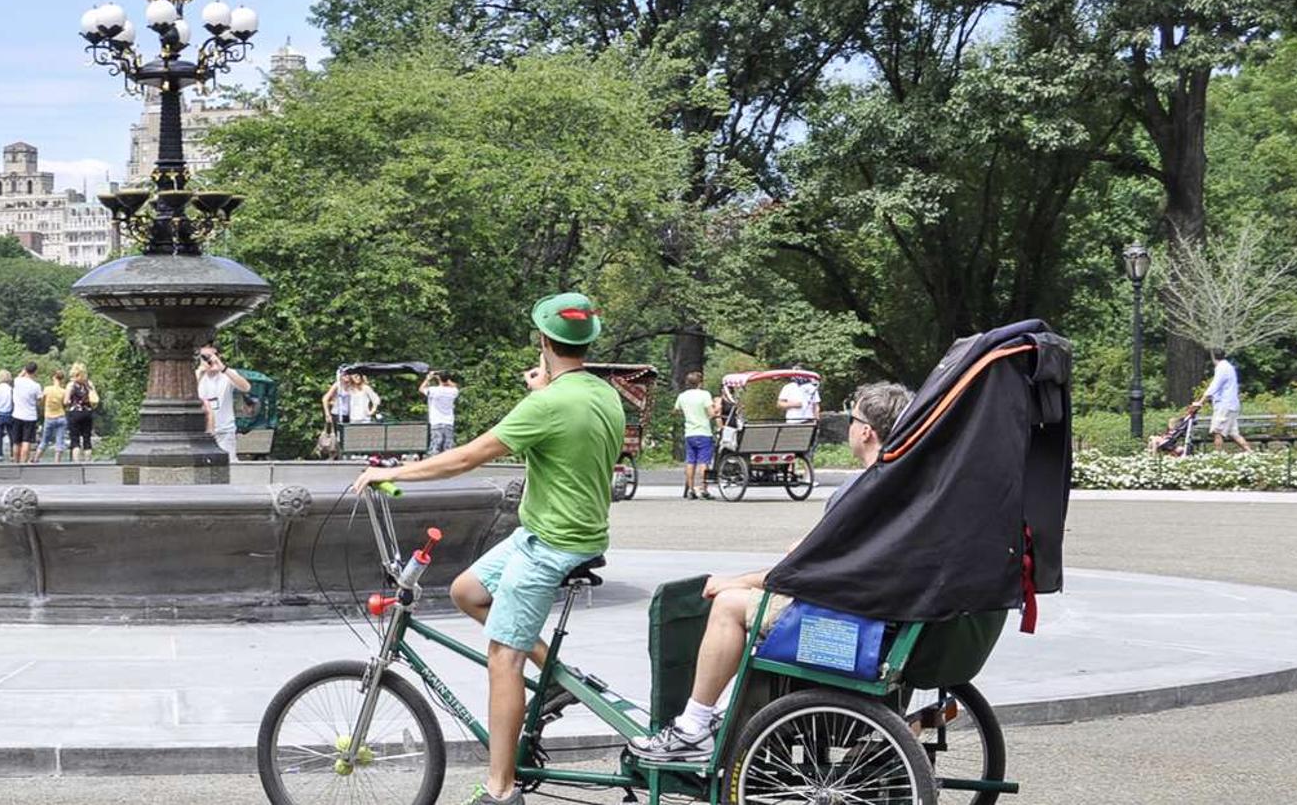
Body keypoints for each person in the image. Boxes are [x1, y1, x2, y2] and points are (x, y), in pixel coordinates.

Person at [350, 293, 620, 805]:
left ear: (543, 342)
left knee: (503, 657)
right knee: (467, 591)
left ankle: (500, 789)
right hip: (565, 532)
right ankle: (557, 677)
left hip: (551, 544)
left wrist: (394, 472)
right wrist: (546, 387)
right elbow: (570, 419)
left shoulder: (546, 405)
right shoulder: (600, 393)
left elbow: (466, 458)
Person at [629, 380, 915, 763]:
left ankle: (693, 727)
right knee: (746, 596)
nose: (850, 425)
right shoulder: (900, 484)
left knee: (728, 605)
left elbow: (800, 569)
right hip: (872, 613)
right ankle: (721, 713)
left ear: (866, 431)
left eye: (853, 418)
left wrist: (735, 582)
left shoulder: (862, 489)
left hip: (845, 626)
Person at [195, 344, 252, 461]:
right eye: (205, 357)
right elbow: (187, 394)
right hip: (202, 432)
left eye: (212, 356)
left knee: (228, 464)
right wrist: (200, 371)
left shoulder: (227, 374)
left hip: (225, 431)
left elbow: (246, 388)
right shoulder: (197, 375)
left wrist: (223, 368)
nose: (209, 360)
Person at [675, 370, 717, 500]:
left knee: (690, 461)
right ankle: (703, 489)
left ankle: (691, 489)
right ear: (700, 383)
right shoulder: (705, 395)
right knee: (703, 462)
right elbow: (711, 413)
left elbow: (676, 410)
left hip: (689, 433)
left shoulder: (682, 396)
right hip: (703, 432)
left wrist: (688, 415)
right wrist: (713, 412)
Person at [1204, 349, 1252, 453]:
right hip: (1233, 405)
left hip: (1224, 405)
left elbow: (1214, 386)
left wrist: (1201, 401)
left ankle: (1218, 456)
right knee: (1233, 433)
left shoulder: (1221, 368)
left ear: (1213, 357)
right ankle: (1251, 453)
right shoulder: (1229, 367)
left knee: (1217, 432)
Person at [65, 362, 99, 462]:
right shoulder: (89, 384)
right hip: (87, 413)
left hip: (75, 413)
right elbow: (94, 397)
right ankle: (87, 462)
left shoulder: (71, 385)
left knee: (75, 439)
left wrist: (70, 402)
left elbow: (66, 401)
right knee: (87, 439)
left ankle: (76, 463)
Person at [422, 370, 461, 454]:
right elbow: (455, 386)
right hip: (449, 422)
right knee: (448, 450)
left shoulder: (433, 390)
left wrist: (428, 378)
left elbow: (421, 389)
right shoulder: (453, 391)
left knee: (435, 449)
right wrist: (446, 378)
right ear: (448, 379)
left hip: (436, 422)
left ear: (439, 379)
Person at [11, 363, 43, 463]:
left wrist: (23, 371)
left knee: (16, 442)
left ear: (25, 370)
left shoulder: (17, 381)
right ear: (35, 371)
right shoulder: (36, 386)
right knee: (26, 441)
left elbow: (19, 376)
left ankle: (15, 462)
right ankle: (23, 463)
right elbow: (39, 400)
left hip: (17, 414)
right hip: (30, 416)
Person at [37, 371, 69, 463]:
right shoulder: (64, 391)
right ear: (62, 379)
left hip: (49, 417)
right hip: (61, 416)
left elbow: (41, 402)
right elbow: (66, 404)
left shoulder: (47, 389)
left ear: (53, 377)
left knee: (44, 440)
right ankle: (57, 462)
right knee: (60, 441)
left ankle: (36, 459)